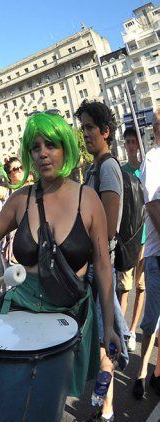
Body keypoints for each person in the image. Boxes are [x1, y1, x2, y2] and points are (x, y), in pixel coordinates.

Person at [0, 111, 121, 406]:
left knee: (51, 401)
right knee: (9, 396)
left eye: (50, 145)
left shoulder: (88, 199)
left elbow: (103, 266)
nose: (43, 154)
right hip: (21, 310)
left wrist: (110, 327)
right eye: (35, 147)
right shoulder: (20, 199)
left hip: (67, 317)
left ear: (65, 147)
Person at [77, 100, 131, 422]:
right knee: (100, 343)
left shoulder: (108, 167)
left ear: (105, 131)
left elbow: (107, 229)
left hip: (101, 270)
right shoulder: (92, 169)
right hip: (93, 271)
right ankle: (103, 406)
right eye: (82, 128)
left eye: (90, 128)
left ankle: (106, 410)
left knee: (104, 342)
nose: (85, 134)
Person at [131, 121, 160, 400]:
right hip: (157, 253)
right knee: (151, 320)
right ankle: (141, 375)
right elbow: (151, 204)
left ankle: (157, 374)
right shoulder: (153, 158)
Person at [117, 128, 145, 353]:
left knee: (140, 286)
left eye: (134, 141)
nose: (131, 145)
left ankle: (133, 329)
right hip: (128, 239)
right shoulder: (122, 171)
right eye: (128, 142)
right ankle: (120, 329)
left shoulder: (147, 168)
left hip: (146, 238)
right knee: (123, 288)